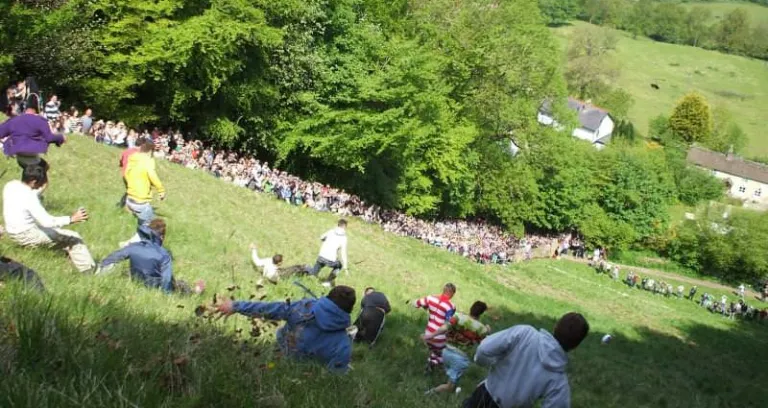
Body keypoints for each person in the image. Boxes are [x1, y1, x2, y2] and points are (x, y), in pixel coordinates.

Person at [215, 285, 356, 373]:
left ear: (326, 298)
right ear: (348, 312)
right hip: (301, 378)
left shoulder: (303, 308)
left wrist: (236, 306)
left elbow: (270, 309)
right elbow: (334, 379)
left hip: (275, 355)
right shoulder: (344, 345)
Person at [463, 312, 590, 408]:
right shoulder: (559, 380)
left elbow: (484, 349)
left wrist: (488, 365)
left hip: (484, 395)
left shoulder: (524, 334)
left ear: (556, 326)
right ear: (576, 345)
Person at [2, 164, 95, 272]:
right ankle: (90, 271)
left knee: (58, 234)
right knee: (74, 237)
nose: (43, 184)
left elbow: (27, 196)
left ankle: (70, 259)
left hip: (12, 231)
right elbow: (47, 222)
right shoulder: (30, 197)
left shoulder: (11, 185)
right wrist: (71, 219)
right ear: (33, 181)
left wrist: (40, 187)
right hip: (27, 235)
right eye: (41, 181)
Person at [98, 218, 201, 294]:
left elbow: (114, 257)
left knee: (126, 272)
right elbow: (166, 279)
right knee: (181, 284)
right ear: (161, 236)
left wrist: (101, 265)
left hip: (136, 281)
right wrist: (167, 296)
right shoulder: (164, 254)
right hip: (155, 286)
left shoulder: (134, 247)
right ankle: (195, 291)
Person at [424, 301, 491, 395]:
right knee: (449, 387)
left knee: (452, 377)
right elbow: (486, 344)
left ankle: (450, 387)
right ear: (481, 313)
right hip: (460, 359)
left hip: (446, 352)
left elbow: (444, 328)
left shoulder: (458, 316)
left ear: (471, 308)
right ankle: (429, 394)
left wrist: (430, 335)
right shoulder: (481, 328)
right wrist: (488, 331)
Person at [0, 96, 65, 170]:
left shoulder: (14, 120)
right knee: (41, 171)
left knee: (41, 168)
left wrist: (6, 144)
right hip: (32, 155)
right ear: (37, 107)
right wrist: (61, 137)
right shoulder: (40, 121)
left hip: (18, 154)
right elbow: (49, 138)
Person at [122, 140, 165, 246]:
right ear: (151, 150)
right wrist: (161, 190)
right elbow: (152, 176)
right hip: (141, 201)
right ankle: (130, 245)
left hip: (129, 198)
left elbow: (126, 174)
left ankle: (138, 242)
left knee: (146, 223)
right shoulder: (148, 161)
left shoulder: (133, 158)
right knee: (153, 227)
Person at [411, 283, 457, 370]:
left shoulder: (430, 298)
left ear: (443, 290)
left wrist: (425, 306)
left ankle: (430, 365)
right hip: (440, 336)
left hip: (428, 333)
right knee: (443, 356)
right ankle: (433, 365)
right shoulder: (451, 306)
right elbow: (448, 322)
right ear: (452, 294)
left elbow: (415, 303)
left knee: (434, 351)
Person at [309, 219, 349, 288]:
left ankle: (311, 276)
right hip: (330, 259)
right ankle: (327, 282)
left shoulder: (331, 231)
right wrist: (345, 267)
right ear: (345, 226)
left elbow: (321, 237)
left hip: (321, 256)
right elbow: (343, 253)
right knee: (339, 266)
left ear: (338, 224)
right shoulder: (344, 238)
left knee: (318, 264)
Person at [117, 138, 142, 207]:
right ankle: (123, 204)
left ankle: (125, 205)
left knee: (131, 190)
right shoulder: (140, 154)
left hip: (124, 175)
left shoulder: (127, 151)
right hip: (132, 176)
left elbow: (120, 162)